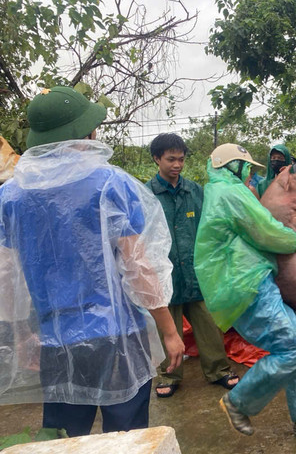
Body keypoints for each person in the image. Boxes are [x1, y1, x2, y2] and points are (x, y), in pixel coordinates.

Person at [0, 86, 184, 437]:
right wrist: (169, 329)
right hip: (117, 338)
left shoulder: (10, 196)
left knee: (65, 439)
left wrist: (21, 333)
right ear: (84, 133)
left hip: (54, 341)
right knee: (126, 437)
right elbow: (138, 266)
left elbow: (6, 277)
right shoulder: (110, 184)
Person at [194, 143, 296, 437]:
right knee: (292, 347)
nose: (249, 172)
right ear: (231, 165)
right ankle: (238, 402)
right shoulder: (229, 193)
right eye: (245, 166)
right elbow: (265, 229)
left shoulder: (226, 190)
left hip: (253, 280)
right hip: (245, 285)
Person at [146, 133, 238, 398]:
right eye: (170, 159)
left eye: (181, 159)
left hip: (196, 273)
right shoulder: (147, 194)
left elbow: (209, 226)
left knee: (209, 324)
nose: (177, 165)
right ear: (156, 159)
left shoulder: (194, 191)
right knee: (168, 327)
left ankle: (218, 369)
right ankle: (168, 374)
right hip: (165, 275)